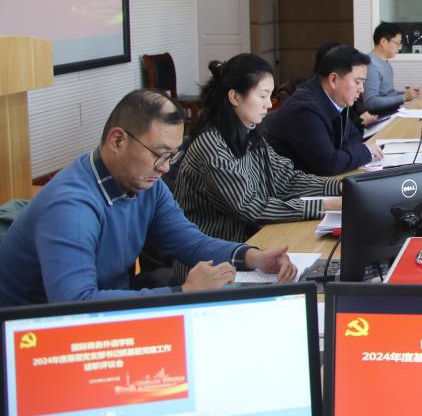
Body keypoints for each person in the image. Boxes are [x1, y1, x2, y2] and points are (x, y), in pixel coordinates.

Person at [0, 90, 296, 306]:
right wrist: (184, 292)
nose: (165, 168)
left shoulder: (145, 183)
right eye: (160, 154)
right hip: (35, 341)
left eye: (172, 156)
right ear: (118, 140)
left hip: (107, 313)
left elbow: (189, 241)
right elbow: (75, 304)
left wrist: (253, 257)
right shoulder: (71, 207)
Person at [174, 54, 343, 250]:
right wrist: (325, 206)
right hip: (213, 257)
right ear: (235, 97)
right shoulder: (211, 146)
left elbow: (285, 180)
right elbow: (250, 207)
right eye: (262, 96)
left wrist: (339, 186)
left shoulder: (249, 133)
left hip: (249, 244)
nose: (269, 104)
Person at [264, 44, 382, 175]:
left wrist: (344, 154)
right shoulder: (304, 110)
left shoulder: (335, 98)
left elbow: (353, 136)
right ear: (333, 80)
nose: (362, 89)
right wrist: (365, 151)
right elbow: (328, 165)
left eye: (363, 82)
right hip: (291, 184)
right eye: (357, 82)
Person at [361, 22, 419, 114]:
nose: (399, 48)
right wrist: (404, 97)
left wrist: (408, 93)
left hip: (391, 113)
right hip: (379, 117)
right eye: (397, 43)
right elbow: (370, 103)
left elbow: (388, 94)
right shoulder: (371, 65)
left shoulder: (385, 63)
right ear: (383, 42)